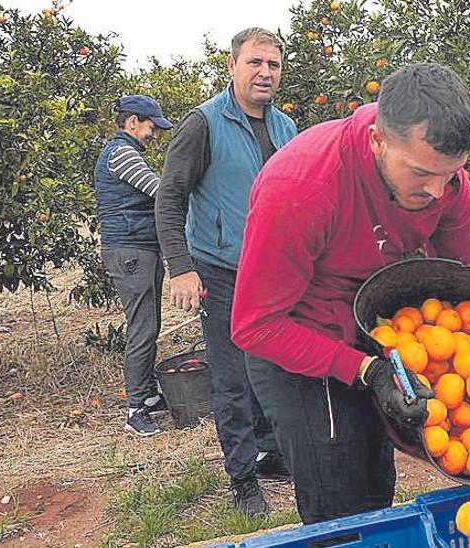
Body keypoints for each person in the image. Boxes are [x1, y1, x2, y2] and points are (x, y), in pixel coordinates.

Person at [230, 63, 470, 524]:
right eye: (422, 174)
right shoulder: (301, 189)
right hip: (294, 336)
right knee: (337, 498)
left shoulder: (444, 183)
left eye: (450, 175)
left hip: (366, 328)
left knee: (375, 483)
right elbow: (254, 326)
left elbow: (467, 277)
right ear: (378, 140)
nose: (437, 190)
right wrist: (365, 370)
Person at [155, 27, 295, 516]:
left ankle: (273, 452)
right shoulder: (204, 123)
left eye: (273, 65)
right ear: (232, 66)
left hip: (271, 274)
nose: (264, 73)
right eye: (255, 63)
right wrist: (181, 269)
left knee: (274, 368)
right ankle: (242, 479)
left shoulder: (286, 128)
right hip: (219, 271)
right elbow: (169, 197)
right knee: (232, 378)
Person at [93, 95, 174, 437]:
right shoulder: (121, 153)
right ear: (132, 122)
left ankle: (148, 395)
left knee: (149, 324)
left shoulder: (126, 152)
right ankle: (135, 409)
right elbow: (160, 191)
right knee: (142, 328)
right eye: (151, 127)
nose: (153, 134)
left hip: (139, 249)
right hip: (130, 251)